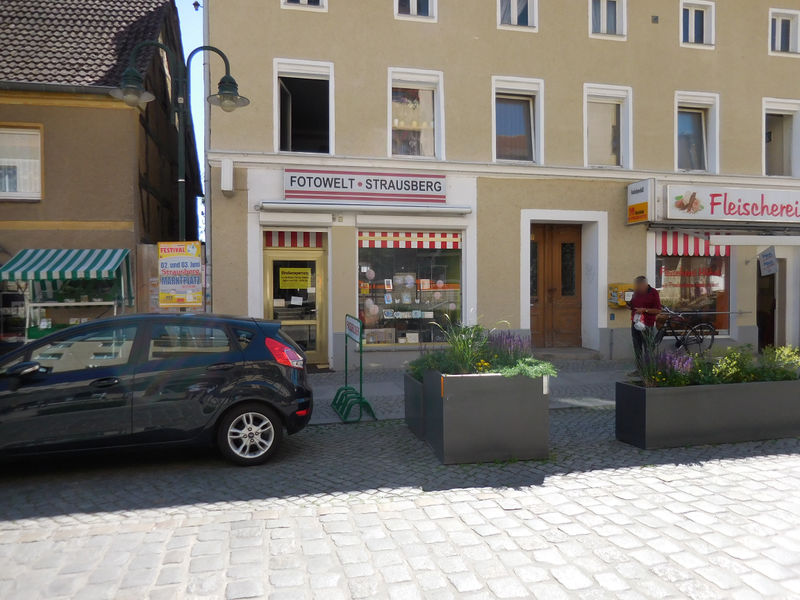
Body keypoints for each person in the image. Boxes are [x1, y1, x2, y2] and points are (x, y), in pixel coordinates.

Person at [628, 275, 661, 361]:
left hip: (647, 324)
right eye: (636, 286)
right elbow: (632, 305)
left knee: (648, 347)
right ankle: (639, 366)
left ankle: (648, 367)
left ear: (644, 284)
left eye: (638, 286)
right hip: (635, 323)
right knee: (637, 345)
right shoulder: (636, 292)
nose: (637, 288)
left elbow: (658, 310)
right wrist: (628, 305)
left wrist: (644, 310)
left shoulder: (653, 293)